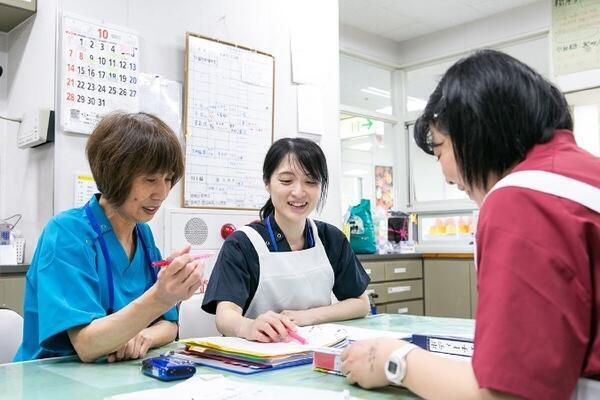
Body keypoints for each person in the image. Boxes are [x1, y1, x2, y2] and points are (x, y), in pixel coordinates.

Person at [340, 49, 600, 399]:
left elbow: (508, 395)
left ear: (475, 131)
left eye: (440, 150)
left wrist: (393, 359)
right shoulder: (581, 175)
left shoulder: (523, 198)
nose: (446, 174)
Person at [14, 112, 204, 362]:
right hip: (51, 378)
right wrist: (161, 296)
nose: (162, 192)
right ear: (116, 175)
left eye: (168, 179)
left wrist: (143, 336)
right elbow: (87, 344)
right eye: (150, 179)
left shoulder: (142, 234)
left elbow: (169, 326)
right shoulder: (66, 233)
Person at [202, 137, 370, 342]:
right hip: (260, 355)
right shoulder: (242, 244)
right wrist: (249, 326)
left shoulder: (330, 238)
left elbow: (361, 303)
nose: (298, 192)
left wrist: (307, 317)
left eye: (311, 181)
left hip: (317, 348)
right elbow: (225, 316)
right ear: (267, 183)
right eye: (286, 181)